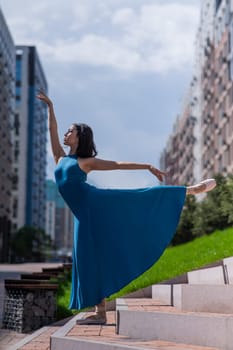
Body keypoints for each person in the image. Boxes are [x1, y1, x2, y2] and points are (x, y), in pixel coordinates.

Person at [37, 91, 216, 325]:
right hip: (82, 216)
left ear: (80, 136)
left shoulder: (85, 162)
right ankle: (100, 312)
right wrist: (50, 107)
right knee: (87, 258)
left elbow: (116, 165)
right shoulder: (60, 158)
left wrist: (148, 166)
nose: (65, 133)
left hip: (97, 205)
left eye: (71, 130)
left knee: (137, 198)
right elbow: (52, 130)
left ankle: (189, 190)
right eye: (67, 130)